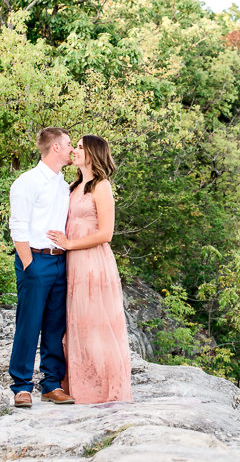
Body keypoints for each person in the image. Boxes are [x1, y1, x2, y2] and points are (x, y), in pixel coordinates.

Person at [47, 135, 132, 404]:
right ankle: (78, 384)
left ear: (93, 153)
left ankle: (102, 390)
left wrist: (70, 243)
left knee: (96, 324)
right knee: (75, 324)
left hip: (93, 262)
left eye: (81, 147)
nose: (75, 150)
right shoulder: (74, 186)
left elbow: (106, 233)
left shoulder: (101, 186)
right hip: (72, 263)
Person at [9, 127, 76, 407]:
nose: (73, 149)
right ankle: (22, 386)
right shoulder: (27, 182)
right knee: (29, 324)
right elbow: (18, 226)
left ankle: (51, 384)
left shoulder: (63, 184)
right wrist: (29, 264)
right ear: (56, 148)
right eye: (70, 144)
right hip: (35, 260)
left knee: (54, 326)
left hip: (61, 261)